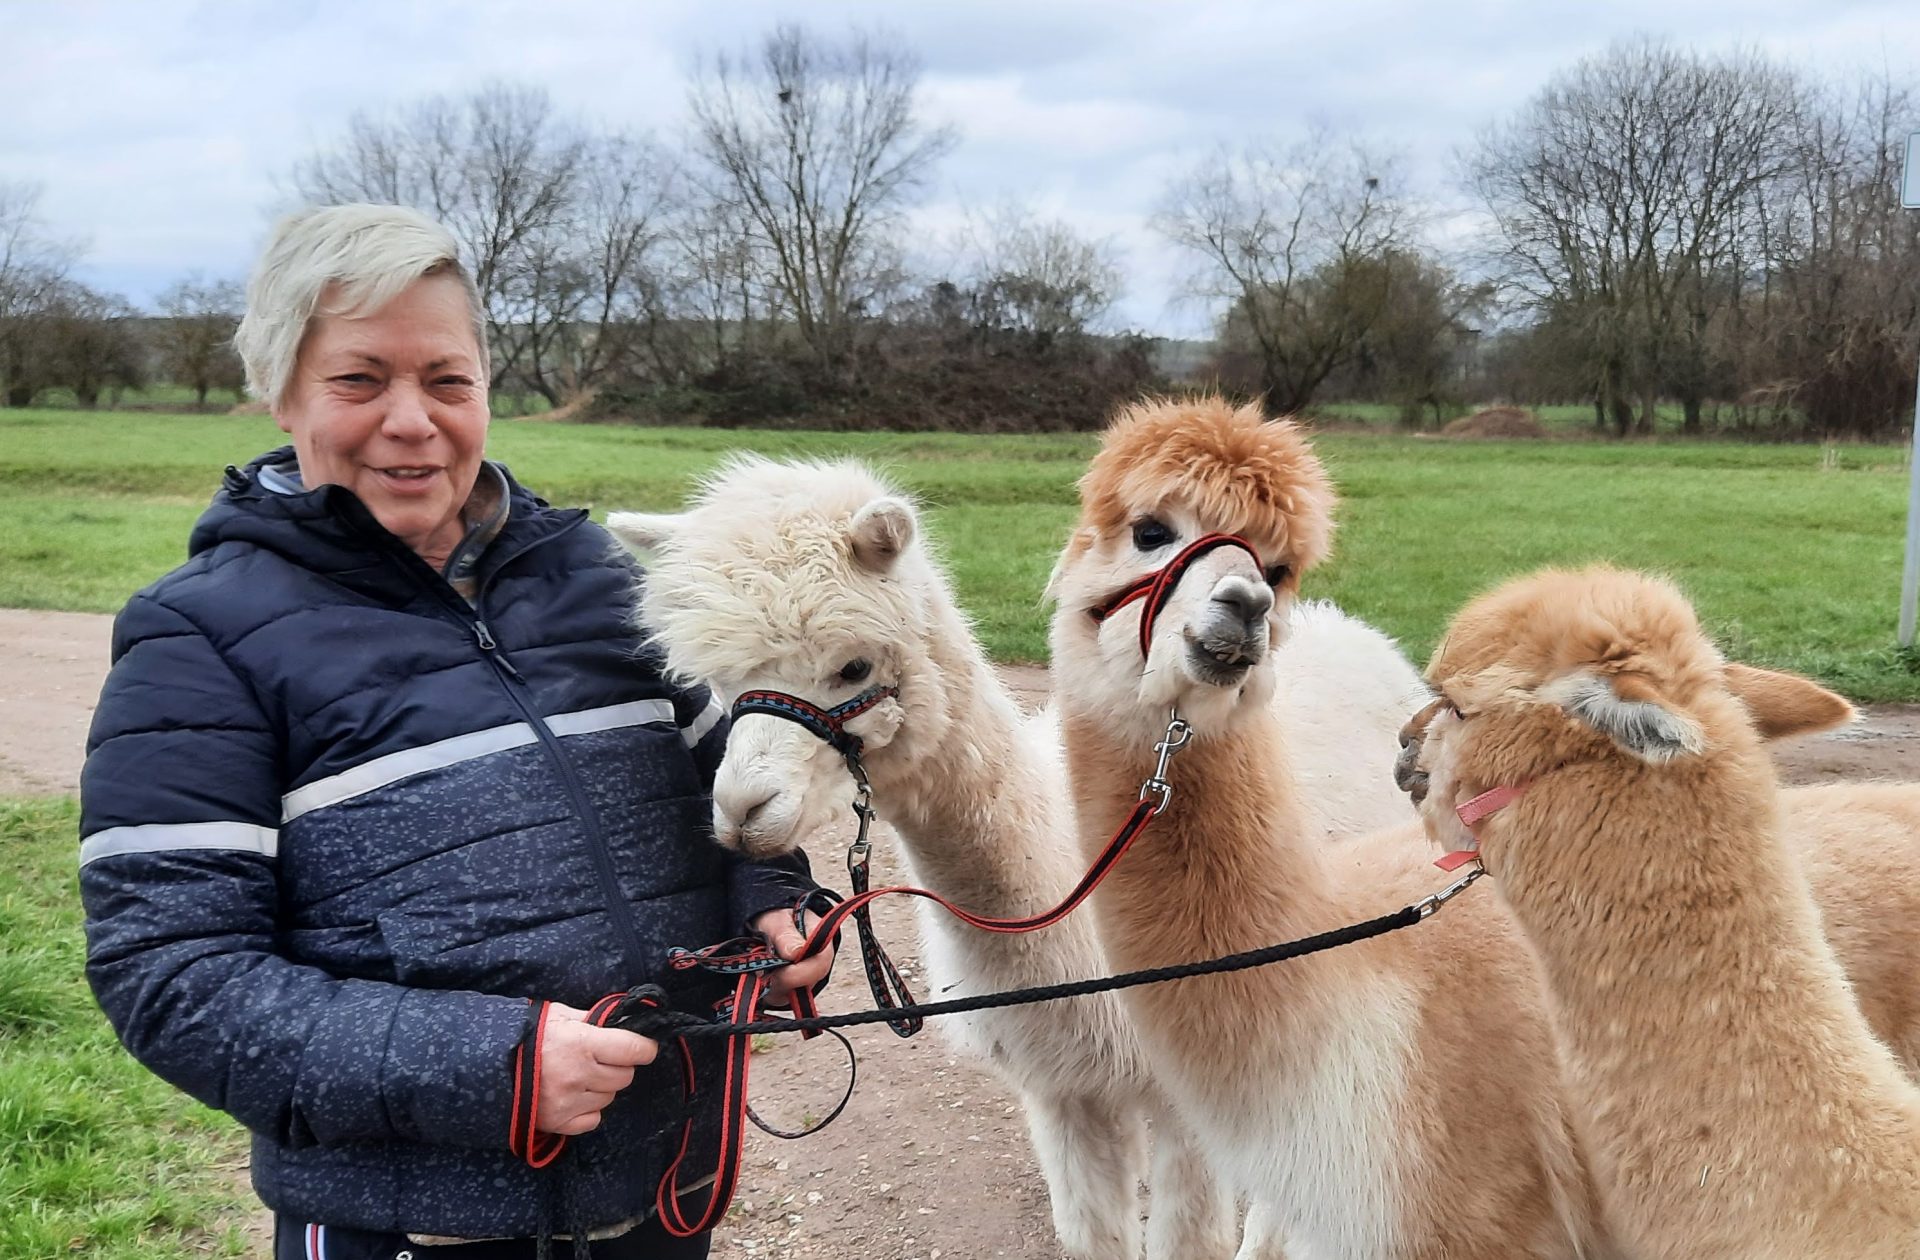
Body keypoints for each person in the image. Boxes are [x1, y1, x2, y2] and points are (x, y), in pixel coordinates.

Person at [78, 203, 833, 1260]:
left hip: (663, 1190)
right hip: (413, 1228)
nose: (411, 420)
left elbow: (732, 789)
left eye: (446, 380)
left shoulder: (607, 582)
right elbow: (174, 978)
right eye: (359, 379)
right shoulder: (195, 638)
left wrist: (773, 898)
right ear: (278, 388)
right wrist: (497, 1066)